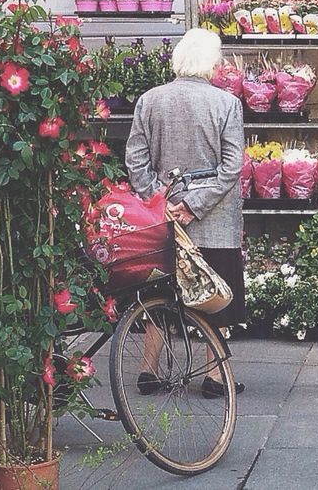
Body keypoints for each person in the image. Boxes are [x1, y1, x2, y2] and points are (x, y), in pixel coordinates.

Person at [125, 27, 245, 398]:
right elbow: (232, 166)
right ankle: (214, 376)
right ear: (211, 62)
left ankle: (149, 369)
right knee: (216, 293)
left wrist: (160, 201)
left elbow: (135, 159)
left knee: (160, 289)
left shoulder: (149, 100)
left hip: (163, 218)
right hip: (214, 220)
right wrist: (194, 205)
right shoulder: (226, 104)